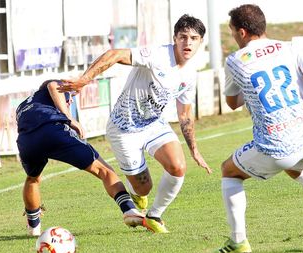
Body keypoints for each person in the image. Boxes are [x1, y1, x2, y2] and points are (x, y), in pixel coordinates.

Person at [211, 4, 303, 253]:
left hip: (276, 145)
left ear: (243, 32)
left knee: (229, 170)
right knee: (297, 169)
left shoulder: (235, 61)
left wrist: (248, 89)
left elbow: (232, 103)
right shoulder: (290, 47)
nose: (233, 36)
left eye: (232, 31)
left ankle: (238, 241)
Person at [59, 14, 212, 233]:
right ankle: (136, 193)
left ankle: (154, 216)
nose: (188, 43)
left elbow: (185, 113)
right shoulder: (158, 55)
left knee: (178, 167)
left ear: (200, 42)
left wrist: (194, 150)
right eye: (183, 37)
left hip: (154, 124)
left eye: (194, 38)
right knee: (143, 187)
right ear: (175, 38)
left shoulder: (190, 73)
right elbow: (114, 54)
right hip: (124, 128)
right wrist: (84, 79)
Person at [16, 79, 144, 237]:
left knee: (32, 179)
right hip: (53, 130)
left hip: (26, 141)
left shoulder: (23, 105)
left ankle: (34, 228)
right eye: (69, 99)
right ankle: (129, 210)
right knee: (104, 171)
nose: (69, 102)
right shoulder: (55, 86)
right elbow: (53, 85)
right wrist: (69, 118)